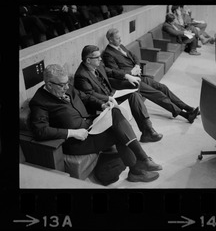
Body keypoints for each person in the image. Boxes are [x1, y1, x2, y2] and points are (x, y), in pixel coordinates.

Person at [29, 64, 162, 183]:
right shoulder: (39, 102)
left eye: (67, 83)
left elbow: (85, 97)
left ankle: (141, 161)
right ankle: (138, 168)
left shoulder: (66, 87)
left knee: (115, 112)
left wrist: (103, 104)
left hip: (90, 125)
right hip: (77, 141)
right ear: (49, 84)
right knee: (119, 133)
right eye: (62, 85)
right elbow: (40, 131)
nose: (66, 87)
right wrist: (72, 133)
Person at [102, 28, 200, 123]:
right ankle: (185, 115)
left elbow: (134, 56)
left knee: (162, 87)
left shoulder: (121, 46)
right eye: (117, 38)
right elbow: (115, 71)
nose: (120, 39)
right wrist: (131, 72)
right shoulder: (108, 53)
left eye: (120, 37)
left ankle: (187, 108)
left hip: (138, 76)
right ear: (110, 40)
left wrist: (137, 65)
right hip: (128, 81)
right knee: (158, 94)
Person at [74, 45, 163, 143]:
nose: (100, 58)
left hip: (112, 95)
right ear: (88, 60)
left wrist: (126, 75)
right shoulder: (81, 76)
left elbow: (111, 71)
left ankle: (148, 130)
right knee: (125, 104)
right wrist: (108, 98)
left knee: (134, 95)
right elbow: (89, 95)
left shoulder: (98, 65)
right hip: (100, 104)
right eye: (97, 57)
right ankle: (131, 139)